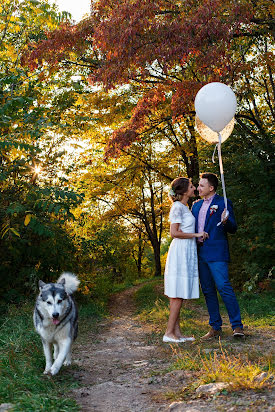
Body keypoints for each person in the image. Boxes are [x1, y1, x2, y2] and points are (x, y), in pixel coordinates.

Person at [192, 172, 244, 340]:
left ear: (211, 188)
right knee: (207, 290)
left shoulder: (224, 203)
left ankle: (237, 326)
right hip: (200, 253)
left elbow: (233, 228)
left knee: (224, 287)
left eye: (201, 185)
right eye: (198, 185)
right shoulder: (196, 206)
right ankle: (215, 327)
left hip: (217, 252)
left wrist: (226, 221)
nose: (198, 188)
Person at [163, 177, 208, 343]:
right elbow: (174, 233)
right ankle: (168, 333)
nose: (194, 188)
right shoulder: (176, 207)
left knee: (179, 292)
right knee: (177, 294)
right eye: (191, 186)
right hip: (180, 251)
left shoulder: (185, 207)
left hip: (187, 251)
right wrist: (196, 235)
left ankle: (177, 333)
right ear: (182, 191)